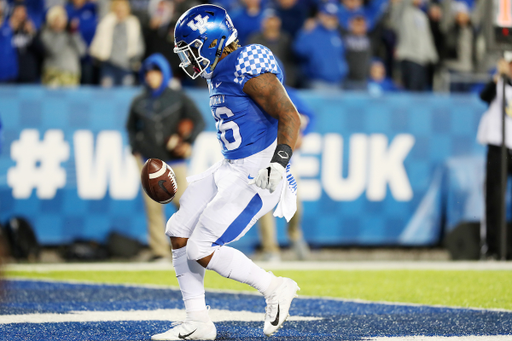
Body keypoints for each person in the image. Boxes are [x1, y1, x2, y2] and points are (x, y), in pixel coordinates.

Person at [151, 4, 301, 340]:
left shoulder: (246, 64)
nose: (186, 61)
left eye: (190, 51)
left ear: (211, 41)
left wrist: (278, 163)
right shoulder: (217, 69)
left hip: (260, 172)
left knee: (200, 246)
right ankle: (199, 321)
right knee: (178, 230)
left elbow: (290, 115)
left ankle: (275, 287)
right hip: (231, 167)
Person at [126, 53, 205, 262]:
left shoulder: (178, 97)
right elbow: (131, 128)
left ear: (164, 74)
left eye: (156, 72)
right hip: (151, 162)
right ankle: (159, 251)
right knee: (153, 208)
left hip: (175, 161)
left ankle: (198, 244)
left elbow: (198, 121)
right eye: (148, 73)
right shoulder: (140, 101)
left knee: (184, 203)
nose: (151, 77)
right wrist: (136, 147)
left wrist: (188, 141)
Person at [257, 85, 314, 262]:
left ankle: (294, 234)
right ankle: (270, 248)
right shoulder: (250, 92)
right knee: (265, 205)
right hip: (261, 157)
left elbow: (308, 116)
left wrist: (300, 134)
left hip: (285, 159)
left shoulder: (288, 93)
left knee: (294, 204)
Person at [478, 55, 512, 260]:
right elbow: (483, 95)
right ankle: (492, 247)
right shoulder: (499, 85)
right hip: (498, 147)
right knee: (494, 198)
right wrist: (499, 75)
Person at [89, 0, 144, 87]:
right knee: (106, 94)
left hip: (126, 66)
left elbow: (139, 46)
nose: (120, 12)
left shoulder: (133, 24)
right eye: (118, 10)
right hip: (109, 65)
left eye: (122, 10)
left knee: (126, 94)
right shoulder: (106, 23)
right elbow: (98, 43)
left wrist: (134, 58)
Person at [294, 2, 347, 89]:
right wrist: (304, 32)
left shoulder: (336, 33)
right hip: (318, 82)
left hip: (338, 83)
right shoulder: (311, 31)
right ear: (320, 15)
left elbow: (341, 54)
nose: (331, 19)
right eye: (328, 16)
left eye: (334, 17)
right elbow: (298, 50)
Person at [390, 0, 438, 91]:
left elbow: (427, 37)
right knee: (411, 91)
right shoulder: (403, 12)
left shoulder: (422, 15)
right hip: (409, 57)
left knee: (420, 92)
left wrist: (433, 56)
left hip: (422, 60)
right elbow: (400, 6)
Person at [41, 5, 86, 87]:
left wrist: (74, 33)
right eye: (57, 19)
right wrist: (62, 31)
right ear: (52, 20)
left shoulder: (71, 33)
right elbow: (55, 50)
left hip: (72, 73)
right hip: (53, 73)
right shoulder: (46, 33)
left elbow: (82, 51)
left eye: (63, 18)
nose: (61, 21)